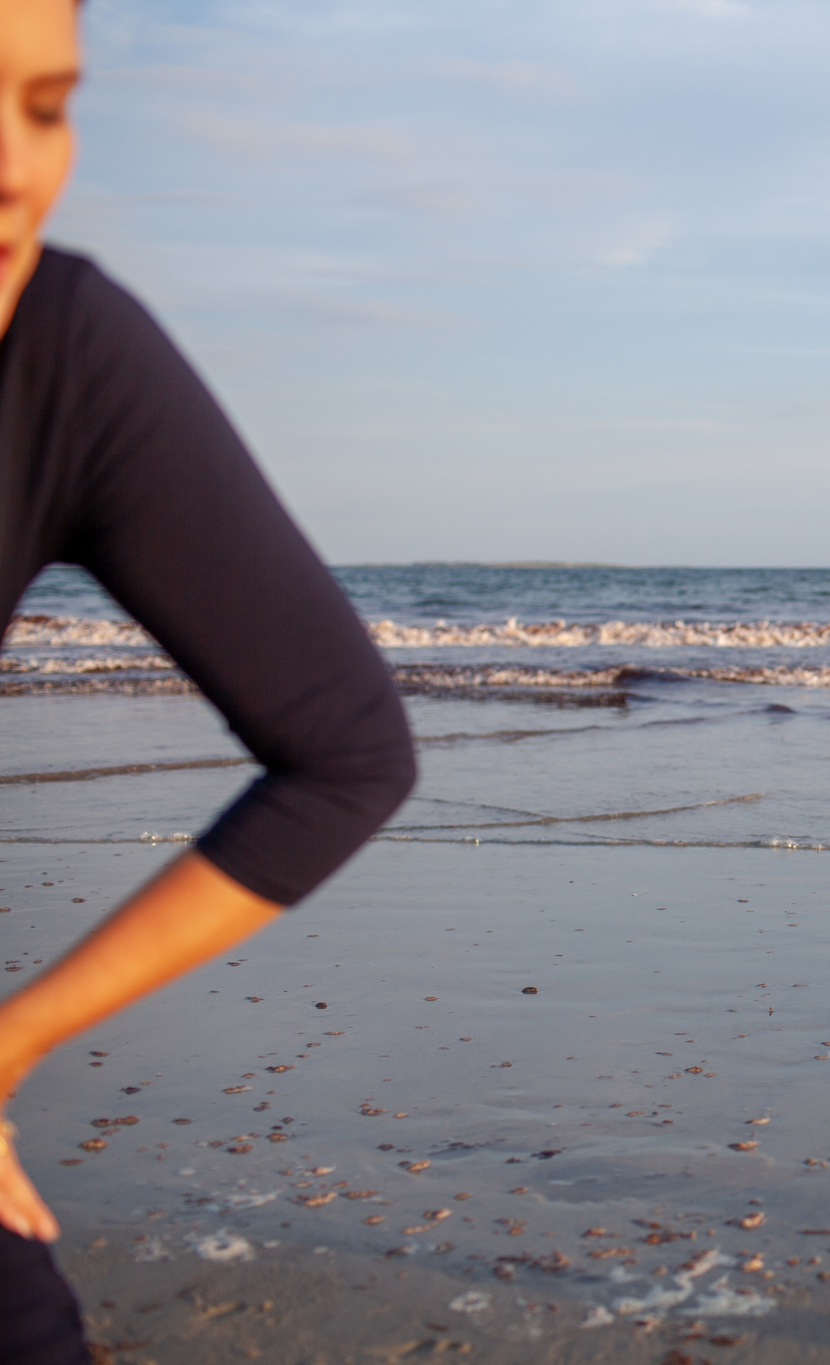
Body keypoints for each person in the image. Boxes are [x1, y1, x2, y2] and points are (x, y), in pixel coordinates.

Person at [0, 3, 417, 1359]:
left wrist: (14, 1043)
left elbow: (350, 748)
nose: (13, 163)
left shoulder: (56, 350)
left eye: (46, 105)